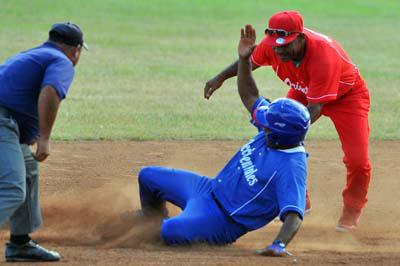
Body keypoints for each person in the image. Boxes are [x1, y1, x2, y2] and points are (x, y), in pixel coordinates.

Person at [136, 25, 310, 257]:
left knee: (166, 233)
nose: (262, 122)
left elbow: (294, 214)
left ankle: (164, 228)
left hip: (222, 220)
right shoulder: (275, 132)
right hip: (207, 189)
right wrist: (244, 60)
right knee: (148, 176)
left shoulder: (291, 166)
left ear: (279, 133)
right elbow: (250, 96)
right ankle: (154, 217)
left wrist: (278, 245)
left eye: (266, 123)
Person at [204, 10, 371, 232]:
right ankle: (300, 199)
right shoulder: (272, 45)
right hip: (303, 91)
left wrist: (281, 130)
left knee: (357, 160)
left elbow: (313, 110)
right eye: (275, 46)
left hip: (347, 98)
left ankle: (351, 211)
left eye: (285, 45)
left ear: (301, 38)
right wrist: (219, 78)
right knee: (277, 138)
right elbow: (248, 62)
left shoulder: (324, 57)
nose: (278, 50)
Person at [0, 22, 87, 262]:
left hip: (8, 124)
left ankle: (20, 244)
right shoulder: (62, 61)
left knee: (28, 170)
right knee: (12, 189)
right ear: (76, 50)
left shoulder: (34, 54)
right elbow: (50, 91)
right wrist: (45, 138)